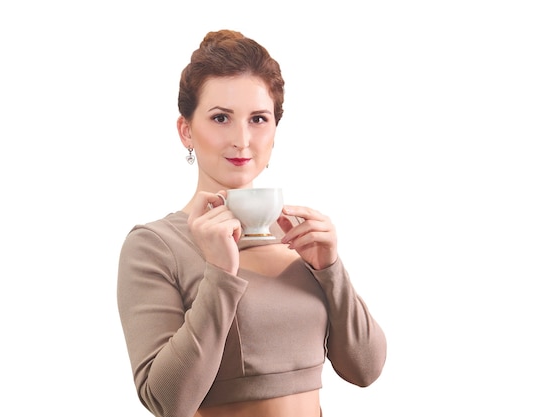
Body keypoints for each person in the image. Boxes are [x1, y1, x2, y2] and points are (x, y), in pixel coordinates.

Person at [117, 29, 387, 417]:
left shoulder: (300, 236)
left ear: (275, 131)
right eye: (221, 118)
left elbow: (366, 368)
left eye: (258, 119)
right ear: (186, 131)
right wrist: (220, 274)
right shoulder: (156, 245)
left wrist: (331, 270)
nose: (242, 139)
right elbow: (167, 402)